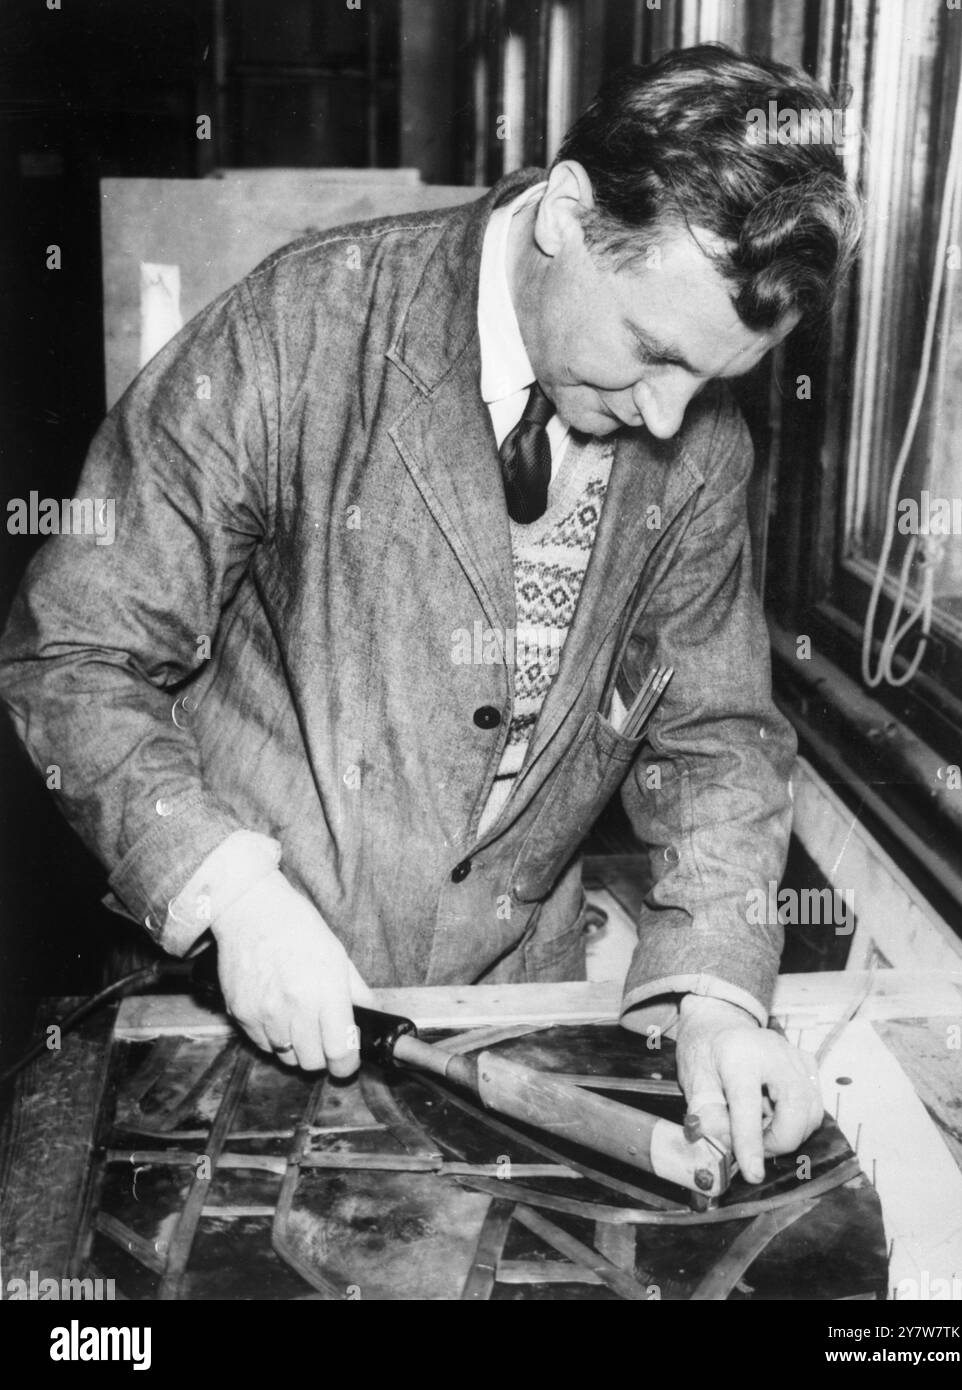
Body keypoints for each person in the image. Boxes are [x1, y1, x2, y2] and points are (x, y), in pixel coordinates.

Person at [0, 45, 860, 1184]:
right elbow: (72, 648)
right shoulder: (303, 324)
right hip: (228, 990)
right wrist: (232, 892)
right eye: (651, 351)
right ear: (566, 213)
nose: (666, 418)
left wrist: (711, 996)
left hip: (501, 1024)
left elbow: (712, 745)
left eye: (708, 382)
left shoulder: (697, 442)